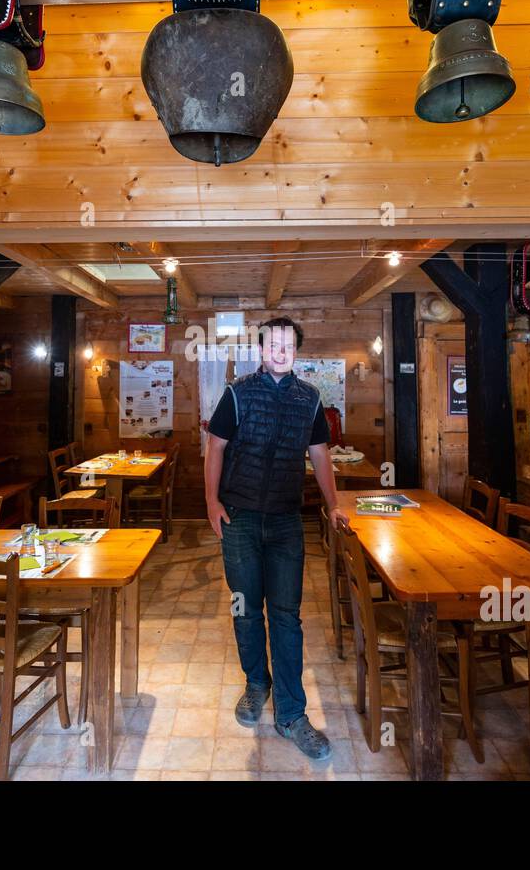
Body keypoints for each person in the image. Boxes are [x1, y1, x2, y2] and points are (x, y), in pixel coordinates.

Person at [203, 316, 352, 760]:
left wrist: (333, 503)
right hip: (240, 519)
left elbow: (320, 456)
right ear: (261, 348)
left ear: (296, 351)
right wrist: (211, 503)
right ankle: (256, 683)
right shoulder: (237, 393)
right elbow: (215, 448)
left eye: (289, 346)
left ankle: (291, 713)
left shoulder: (310, 399)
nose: (281, 351)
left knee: (286, 615)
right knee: (246, 608)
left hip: (287, 521)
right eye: (273, 345)